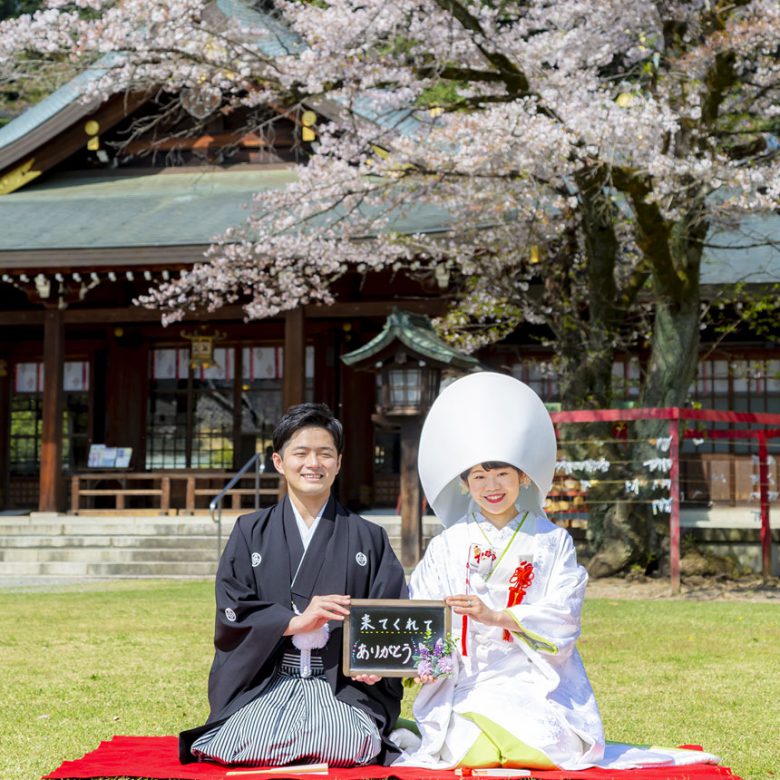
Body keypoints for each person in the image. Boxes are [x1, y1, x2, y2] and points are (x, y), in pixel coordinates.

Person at [179, 403, 408, 768]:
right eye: (300, 453)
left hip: (341, 687)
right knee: (240, 744)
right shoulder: (249, 531)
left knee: (344, 743)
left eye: (324, 454)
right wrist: (295, 622)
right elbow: (233, 608)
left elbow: (390, 611)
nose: (312, 464)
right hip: (269, 681)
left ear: (339, 462)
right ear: (279, 462)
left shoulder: (369, 537)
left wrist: (377, 661)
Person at [398, 372, 605, 771]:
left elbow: (564, 614)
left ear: (523, 476)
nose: (491, 486)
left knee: (545, 751)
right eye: (479, 476)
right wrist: (427, 661)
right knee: (470, 755)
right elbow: (420, 606)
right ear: (465, 483)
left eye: (502, 475)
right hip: (464, 678)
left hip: (532, 678)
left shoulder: (552, 541)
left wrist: (497, 616)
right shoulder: (447, 543)